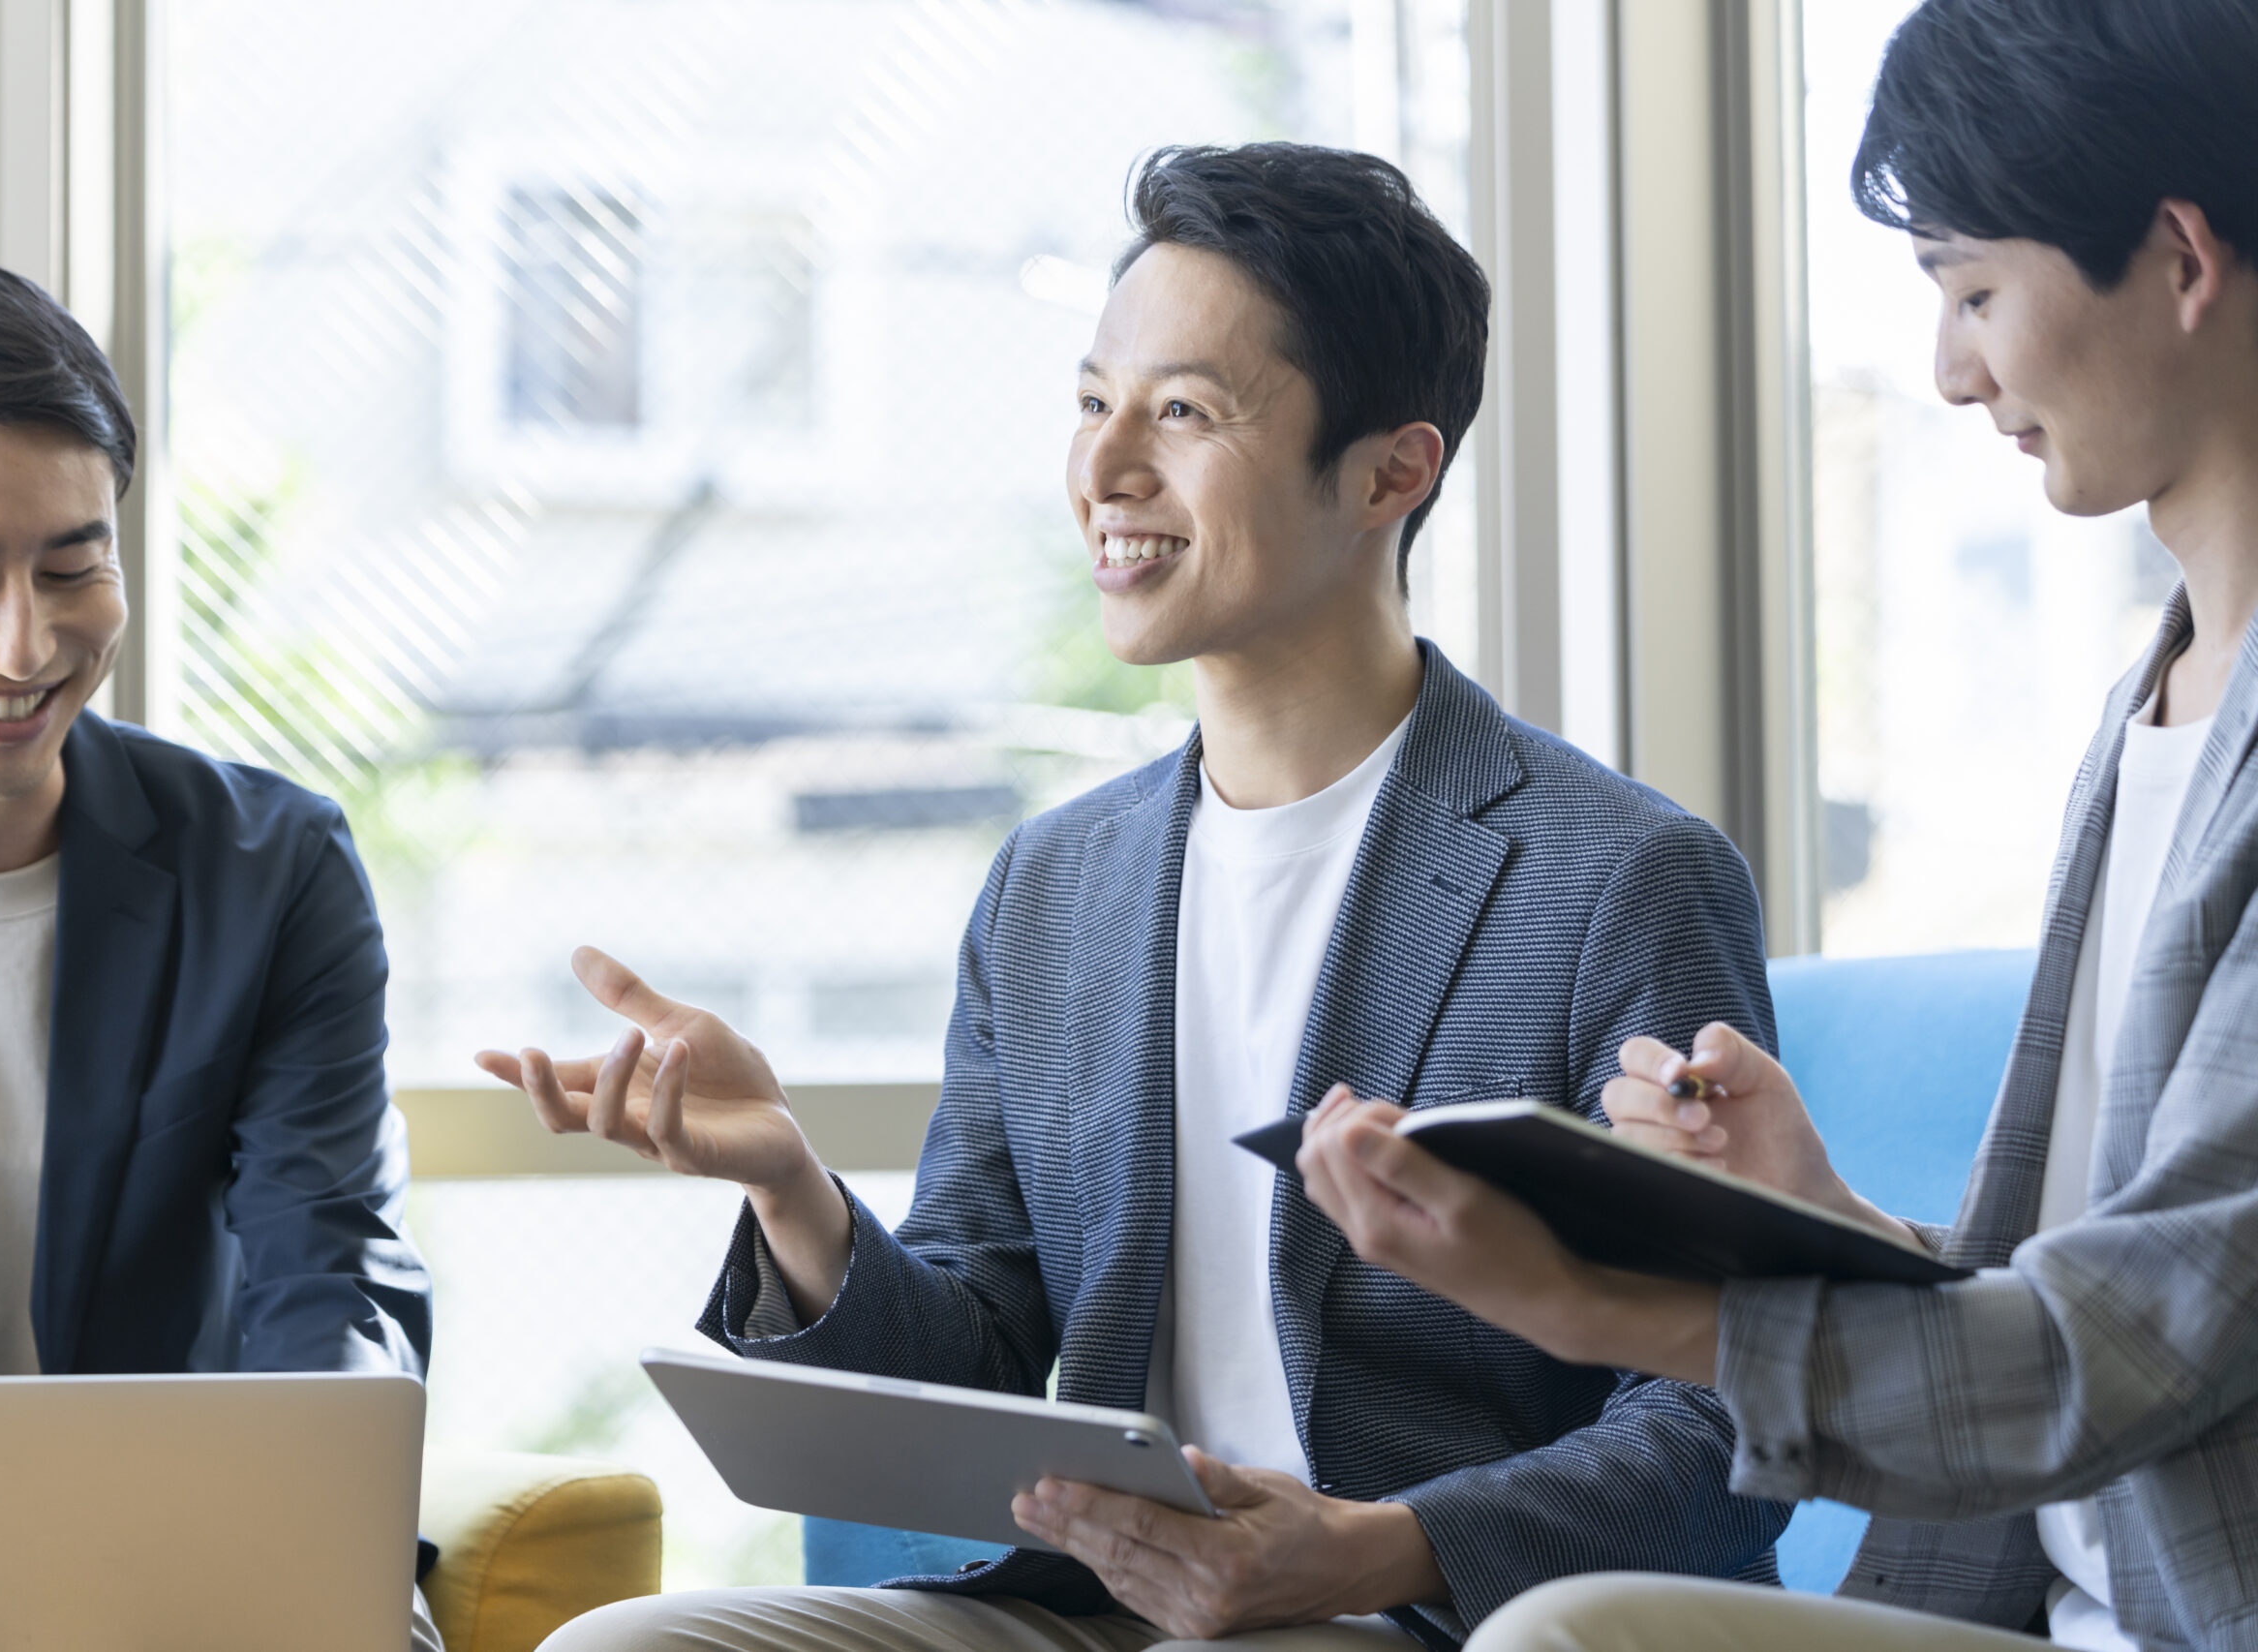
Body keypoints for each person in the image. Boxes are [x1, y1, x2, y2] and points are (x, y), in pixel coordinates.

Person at [482, 143, 1789, 1652]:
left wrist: (1372, 1549)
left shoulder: (1616, 875)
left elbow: (1724, 1414)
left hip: (1417, 1615)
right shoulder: (1055, 884)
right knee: (620, 1648)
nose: (1105, 470)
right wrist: (794, 1193)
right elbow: (978, 1355)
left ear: (1391, 469)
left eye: (1183, 412)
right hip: (1098, 1607)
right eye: (1094, 400)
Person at [1294, 3, 2258, 1649]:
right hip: (2050, 1604)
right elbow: (2070, 1293)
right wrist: (1825, 1224)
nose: (1955, 373)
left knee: (1563, 1634)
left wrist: (1609, 1302)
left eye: (1973, 293)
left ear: (2178, 257)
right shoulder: (2153, 706)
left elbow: (2152, 1338)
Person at [0, 260, 442, 1650]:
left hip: (203, 1585)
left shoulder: (270, 877)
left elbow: (326, 1270)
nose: (24, 643)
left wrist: (303, 1541)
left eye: (75, 561)